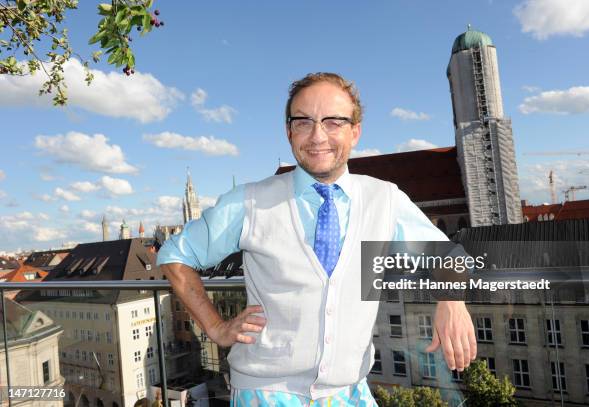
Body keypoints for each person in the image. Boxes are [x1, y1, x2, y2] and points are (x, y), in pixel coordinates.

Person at [157, 72, 477, 406]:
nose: (317, 135)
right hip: (266, 393)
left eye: (333, 121)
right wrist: (216, 327)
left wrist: (452, 301)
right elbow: (175, 255)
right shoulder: (249, 201)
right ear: (288, 131)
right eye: (303, 122)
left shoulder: (385, 199)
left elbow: (449, 255)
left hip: (350, 392)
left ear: (355, 132)